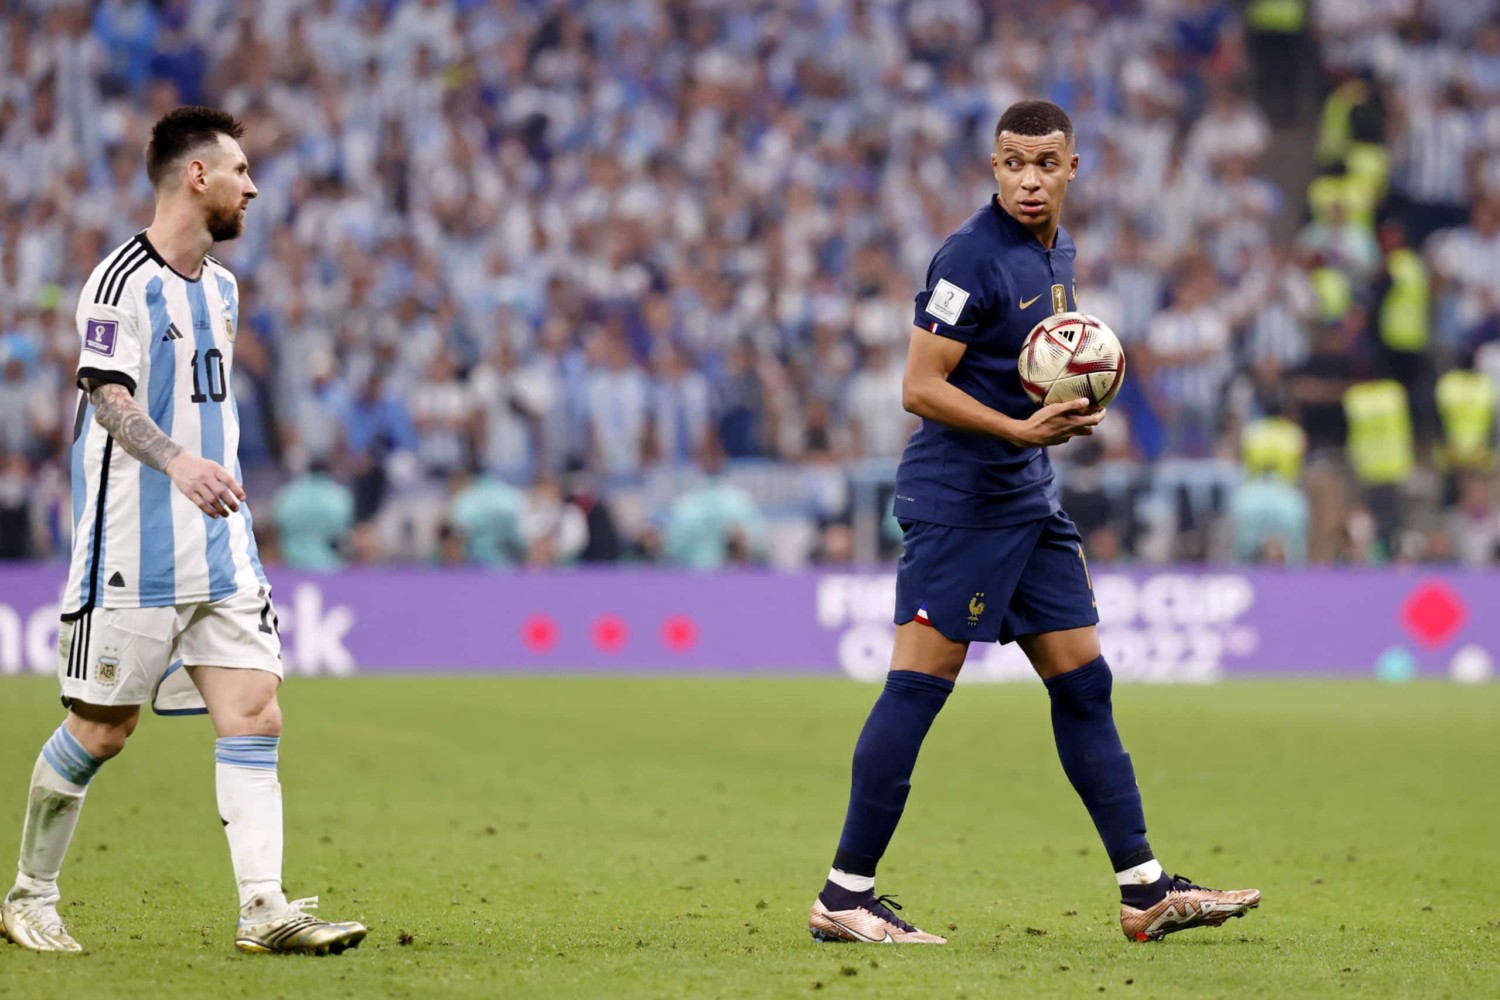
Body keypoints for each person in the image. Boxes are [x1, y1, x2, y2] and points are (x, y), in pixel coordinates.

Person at [808, 101, 1259, 946]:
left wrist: (1068, 406)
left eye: (1045, 164)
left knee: (1085, 683)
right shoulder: (969, 256)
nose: (1028, 180)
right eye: (1013, 163)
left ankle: (1144, 889)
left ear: (1071, 169)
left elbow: (1026, 366)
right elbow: (919, 386)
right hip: (961, 504)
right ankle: (845, 894)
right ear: (994, 166)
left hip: (1028, 500)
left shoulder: (1059, 253)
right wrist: (1018, 429)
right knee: (918, 686)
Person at [0, 107, 366, 956]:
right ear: (197, 176)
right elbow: (107, 396)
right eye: (240, 170)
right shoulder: (119, 281)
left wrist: (209, 475)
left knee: (255, 713)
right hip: (134, 550)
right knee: (102, 730)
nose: (253, 187)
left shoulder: (225, 289)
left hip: (222, 547)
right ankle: (28, 895)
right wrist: (178, 464)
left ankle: (264, 907)